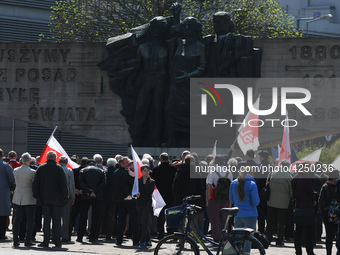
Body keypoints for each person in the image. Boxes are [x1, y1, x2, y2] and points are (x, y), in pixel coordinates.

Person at [32, 151, 68, 249]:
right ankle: (57, 242)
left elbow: (35, 184)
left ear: (47, 158)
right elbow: (63, 185)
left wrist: (36, 196)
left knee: (46, 221)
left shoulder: (41, 168)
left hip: (44, 199)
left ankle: (45, 241)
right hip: (57, 199)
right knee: (57, 221)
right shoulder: (59, 168)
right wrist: (65, 197)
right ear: (55, 158)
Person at [229, 166, 260, 253]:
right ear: (252, 174)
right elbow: (255, 202)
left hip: (238, 214)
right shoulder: (252, 184)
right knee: (248, 239)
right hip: (250, 214)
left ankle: (238, 252)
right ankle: (246, 253)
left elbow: (231, 200)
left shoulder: (233, 183)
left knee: (238, 238)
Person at [76, 159, 106, 243]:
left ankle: (80, 236)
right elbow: (103, 182)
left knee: (83, 216)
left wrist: (89, 191)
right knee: (95, 217)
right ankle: (93, 236)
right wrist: (94, 191)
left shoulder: (82, 170)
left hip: (86, 196)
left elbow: (81, 183)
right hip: (98, 196)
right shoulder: (101, 171)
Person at [113, 157, 140, 246]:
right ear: (122, 164)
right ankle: (136, 240)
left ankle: (119, 240)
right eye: (126, 162)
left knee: (121, 220)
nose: (128, 163)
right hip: (129, 199)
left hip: (120, 200)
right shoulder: (125, 173)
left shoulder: (116, 173)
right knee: (134, 219)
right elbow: (130, 182)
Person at [206, 154, 233, 242]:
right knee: (225, 221)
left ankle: (216, 239)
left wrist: (207, 200)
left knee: (215, 221)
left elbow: (209, 187)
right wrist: (230, 202)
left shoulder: (212, 173)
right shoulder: (229, 173)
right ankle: (225, 238)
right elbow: (230, 188)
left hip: (214, 198)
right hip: (225, 199)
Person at [265, 159, 293, 246]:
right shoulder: (289, 176)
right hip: (284, 202)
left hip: (271, 201)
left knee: (270, 221)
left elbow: (267, 185)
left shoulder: (272, 173)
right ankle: (279, 240)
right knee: (281, 222)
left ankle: (268, 239)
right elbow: (291, 191)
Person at [12, 152, 36, 247]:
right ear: (30, 161)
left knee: (17, 219)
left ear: (21, 160)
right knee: (30, 220)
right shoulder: (32, 172)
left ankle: (15, 240)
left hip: (18, 196)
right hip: (29, 197)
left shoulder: (16, 170)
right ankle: (28, 240)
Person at [151, 152, 177, 239]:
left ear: (160, 159)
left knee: (160, 216)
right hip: (170, 194)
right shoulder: (174, 169)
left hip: (159, 194)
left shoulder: (156, 169)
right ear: (168, 159)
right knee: (171, 215)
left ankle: (160, 233)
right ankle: (172, 232)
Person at [291, 161, 316, 255]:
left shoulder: (295, 178)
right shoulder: (305, 178)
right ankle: (309, 251)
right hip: (307, 207)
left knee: (298, 231)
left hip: (298, 206)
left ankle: (298, 251)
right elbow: (310, 192)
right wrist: (314, 198)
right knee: (309, 231)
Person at [318, 169, 339, 255]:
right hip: (338, 213)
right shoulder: (338, 186)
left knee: (329, 235)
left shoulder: (325, 186)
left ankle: (328, 253)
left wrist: (323, 211)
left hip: (327, 214)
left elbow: (320, 201)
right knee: (338, 235)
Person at [97, 158, 117, 240]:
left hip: (103, 197)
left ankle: (97, 234)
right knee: (111, 217)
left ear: (107, 164)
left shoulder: (103, 172)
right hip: (113, 198)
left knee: (100, 216)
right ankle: (109, 235)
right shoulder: (117, 173)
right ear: (115, 164)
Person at [136, 164, 155, 249]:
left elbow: (149, 192)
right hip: (139, 203)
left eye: (147, 170)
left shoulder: (151, 181)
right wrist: (136, 194)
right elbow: (134, 190)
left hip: (147, 204)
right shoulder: (138, 180)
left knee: (144, 222)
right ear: (141, 172)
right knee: (142, 223)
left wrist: (145, 183)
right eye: (144, 170)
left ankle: (142, 241)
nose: (146, 172)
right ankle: (148, 239)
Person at [58, 156, 75, 242]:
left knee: (55, 217)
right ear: (67, 162)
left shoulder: (55, 169)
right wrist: (72, 197)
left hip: (55, 197)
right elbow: (71, 185)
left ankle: (55, 234)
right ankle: (65, 236)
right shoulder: (69, 170)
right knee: (65, 217)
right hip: (66, 196)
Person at [0, 148, 15, 240]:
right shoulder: (6, 166)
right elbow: (12, 179)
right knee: (3, 215)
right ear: (2, 155)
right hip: (3, 191)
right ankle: (2, 234)